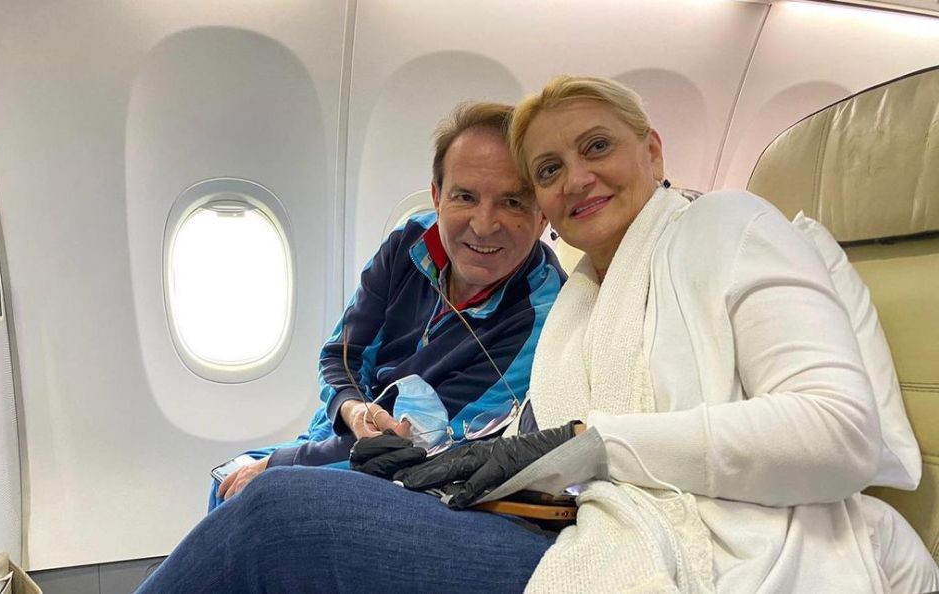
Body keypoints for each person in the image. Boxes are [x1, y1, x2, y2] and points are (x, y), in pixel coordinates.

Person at [139, 76, 939, 593]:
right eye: (549, 169)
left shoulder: (730, 226)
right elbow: (542, 452)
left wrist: (593, 445)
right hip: (583, 525)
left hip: (694, 543)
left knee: (277, 516)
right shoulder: (589, 298)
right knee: (287, 497)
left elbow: (839, 431)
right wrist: (428, 469)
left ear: (652, 150)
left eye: (596, 146)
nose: (575, 178)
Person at [209, 101, 566, 509]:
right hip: (339, 436)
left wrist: (282, 464)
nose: (484, 225)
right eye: (465, 196)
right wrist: (351, 408)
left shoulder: (539, 316)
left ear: (542, 214)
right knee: (226, 482)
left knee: (252, 495)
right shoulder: (408, 243)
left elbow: (420, 444)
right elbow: (341, 355)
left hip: (420, 480)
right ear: (437, 197)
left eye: (512, 202)